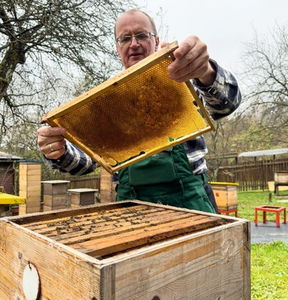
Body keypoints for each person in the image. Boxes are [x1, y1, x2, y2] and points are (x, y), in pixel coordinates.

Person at [37, 9, 241, 214]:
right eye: (125, 38)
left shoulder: (183, 80)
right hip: (131, 207)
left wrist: (205, 72)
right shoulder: (106, 104)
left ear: (156, 41)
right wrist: (59, 151)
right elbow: (87, 162)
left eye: (142, 35)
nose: (134, 43)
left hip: (190, 201)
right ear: (118, 48)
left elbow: (227, 103)